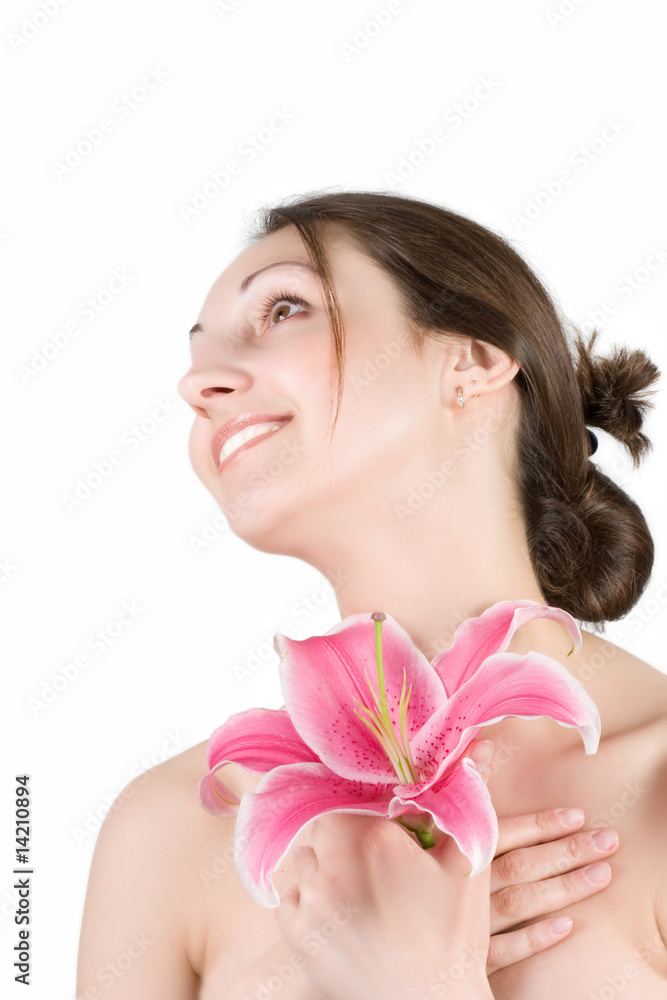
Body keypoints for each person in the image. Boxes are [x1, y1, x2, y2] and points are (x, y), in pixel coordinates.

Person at [76, 191, 667, 999]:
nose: (198, 384)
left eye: (284, 308)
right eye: (195, 356)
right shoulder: (171, 830)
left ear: (473, 359)